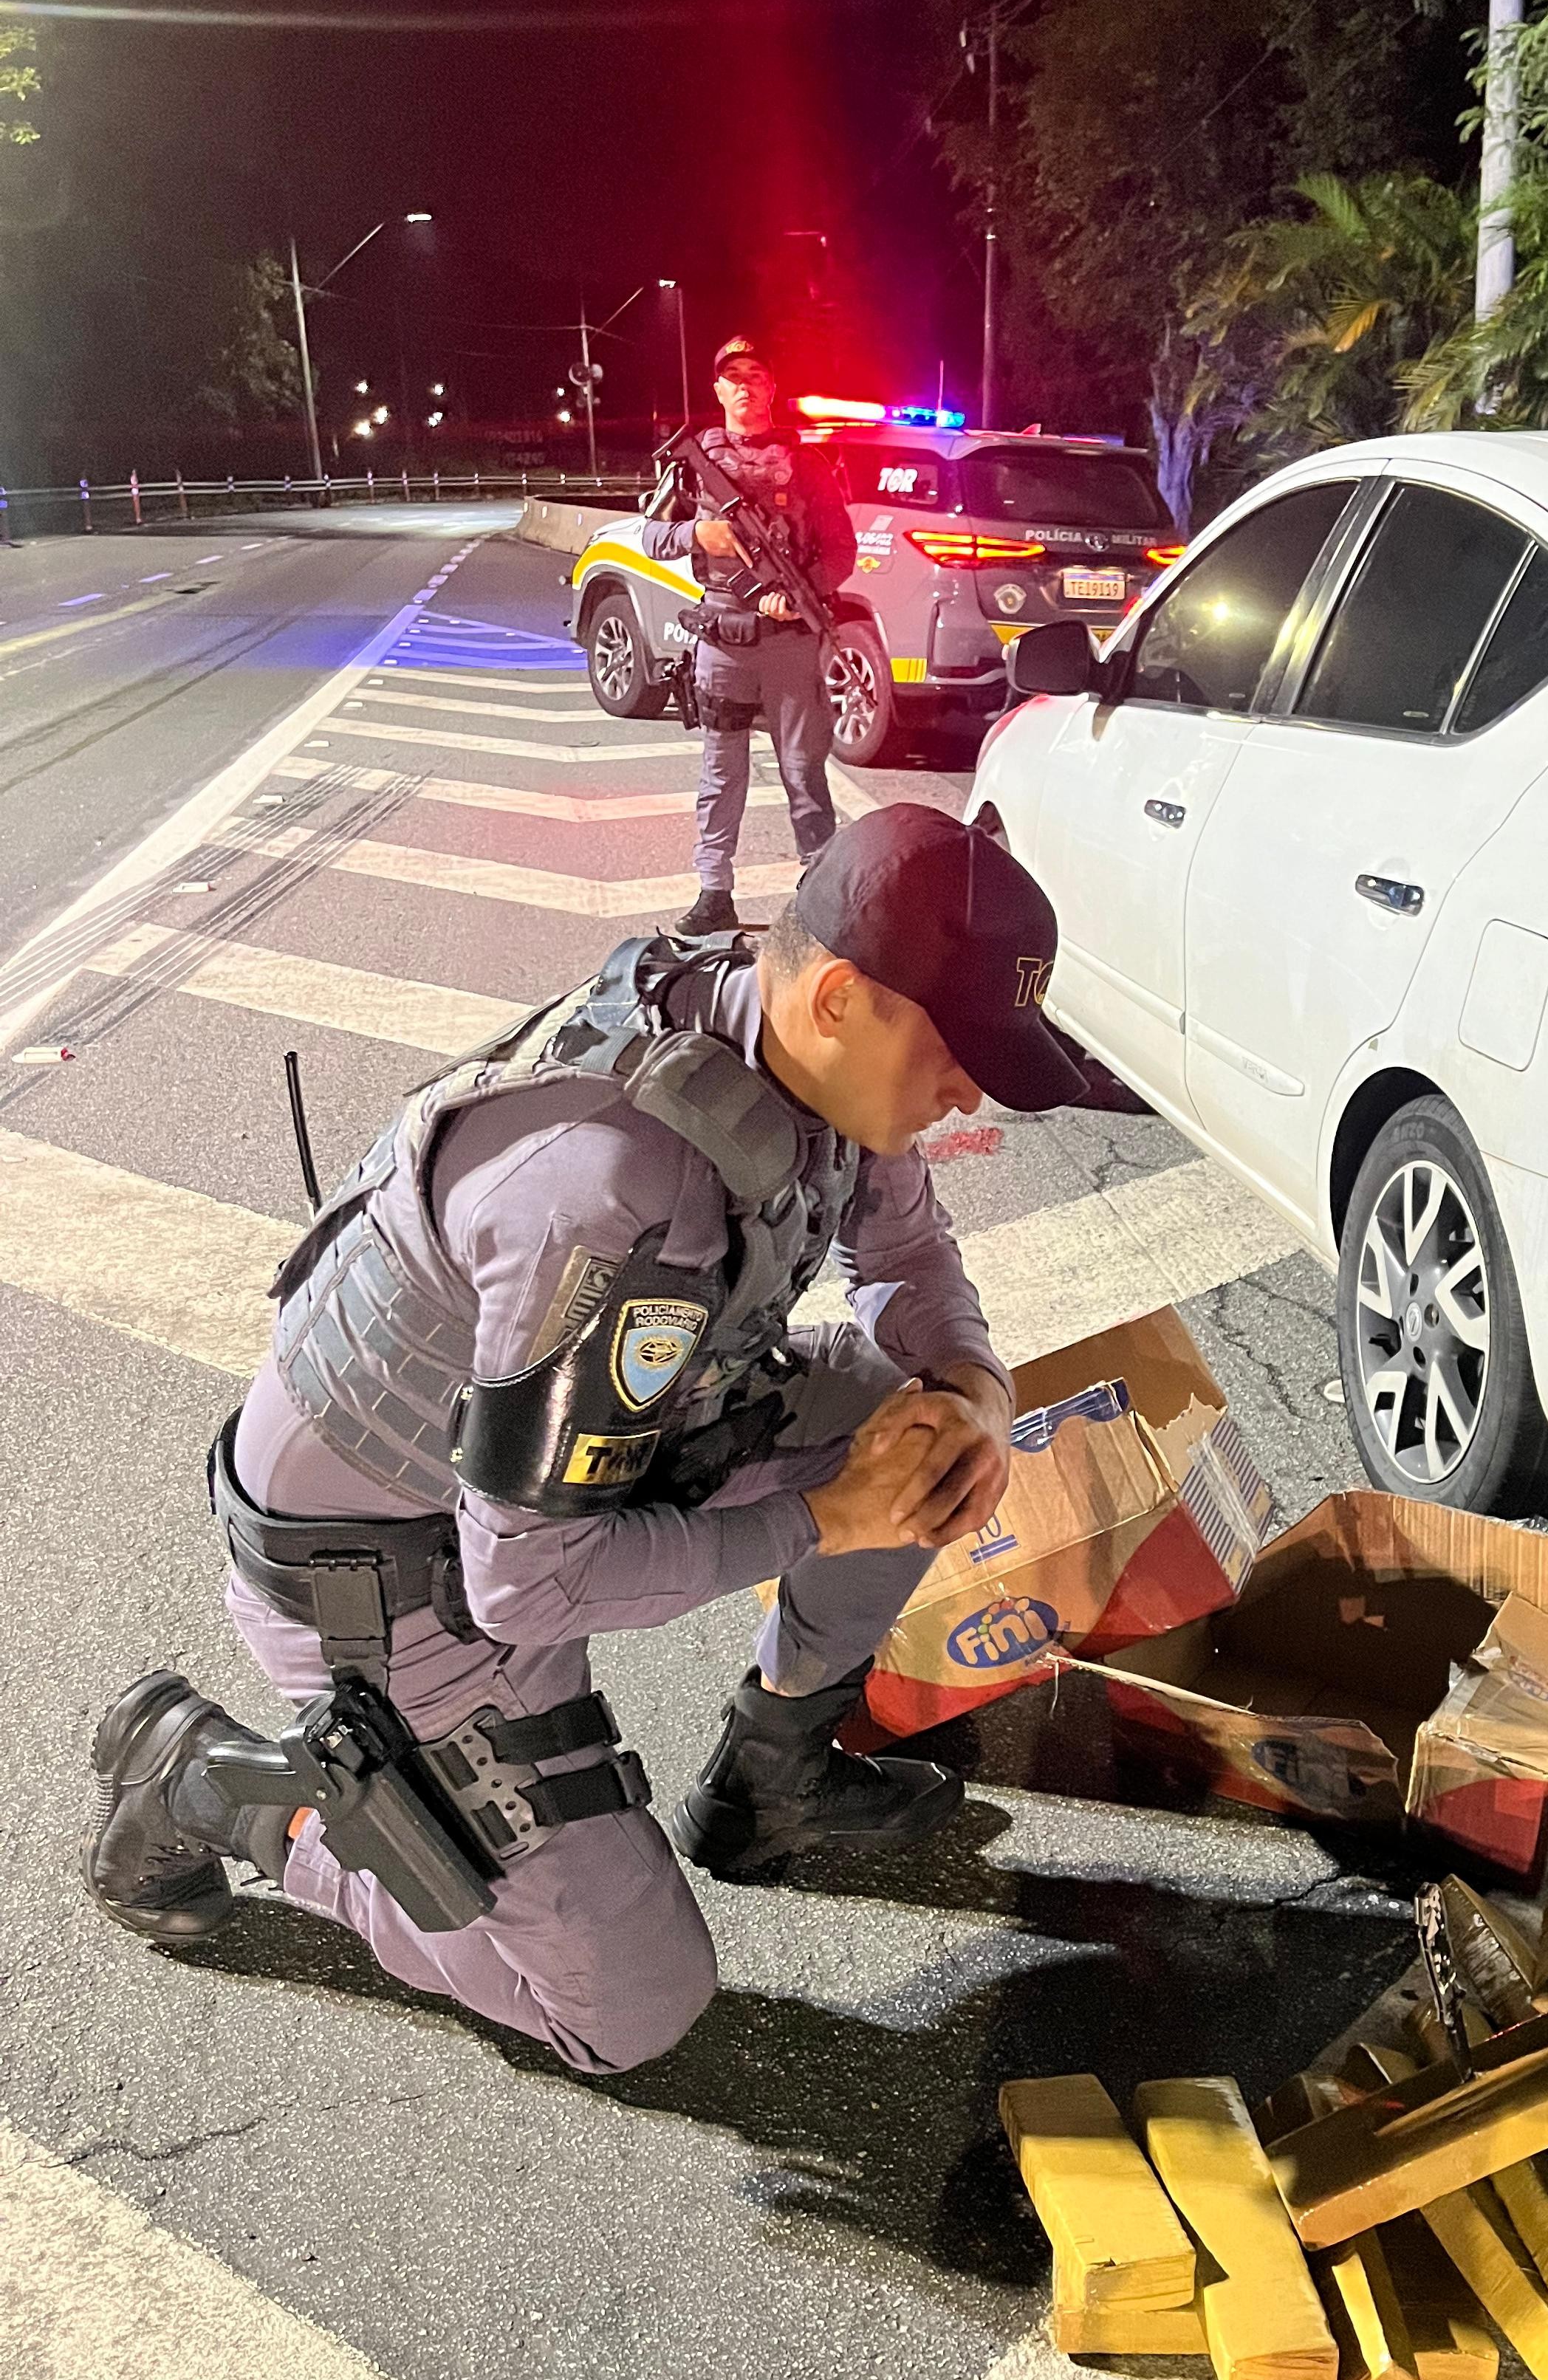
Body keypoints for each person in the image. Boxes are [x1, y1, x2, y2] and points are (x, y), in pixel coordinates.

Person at [82, 806, 1088, 2077]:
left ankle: (766, 1777)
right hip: (398, 1587)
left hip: (553, 1481)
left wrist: (972, 1389)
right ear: (839, 996)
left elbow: (901, 1252)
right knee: (629, 2010)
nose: (973, 1091)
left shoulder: (775, 1038)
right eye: (958, 1053)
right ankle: (236, 1795)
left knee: (915, 1428)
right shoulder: (616, 1198)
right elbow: (525, 1589)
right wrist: (829, 1521)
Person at [649, 334, 859, 934]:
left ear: (772, 389)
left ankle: (817, 892)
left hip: (790, 644)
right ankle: (714, 891)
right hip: (722, 644)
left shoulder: (809, 465)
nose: (745, 386)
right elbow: (650, 537)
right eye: (733, 376)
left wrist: (799, 595)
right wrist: (700, 537)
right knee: (722, 773)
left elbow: (842, 551)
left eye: (756, 376)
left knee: (803, 770)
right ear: (718, 390)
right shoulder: (694, 468)